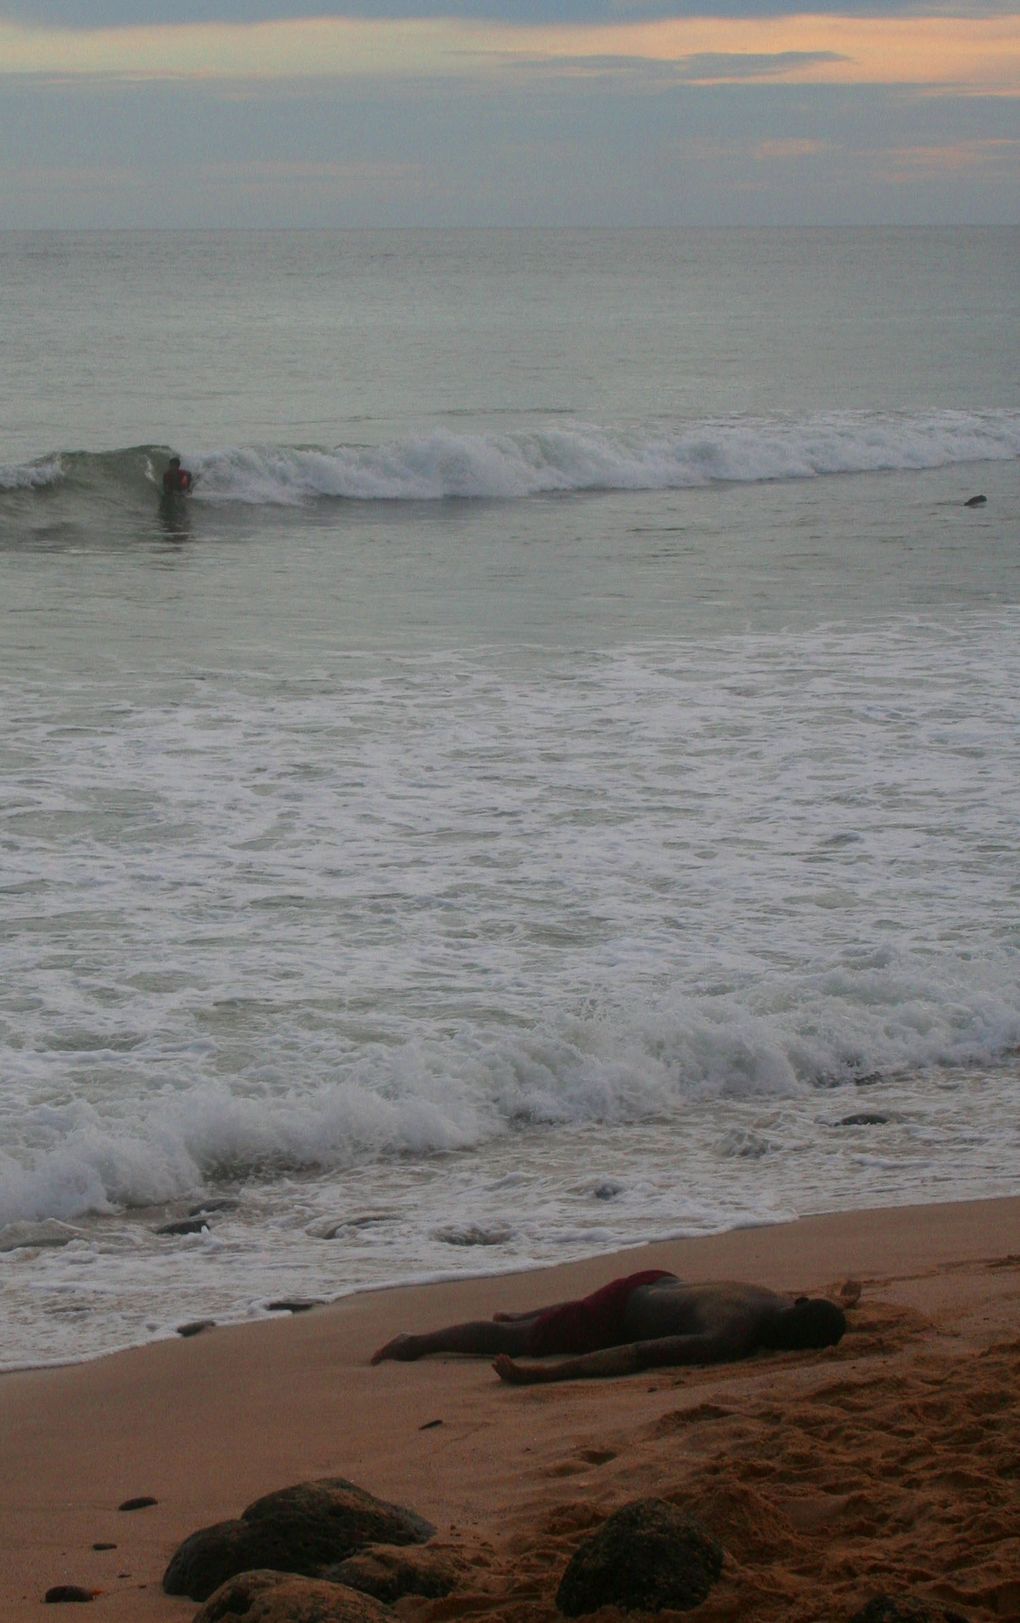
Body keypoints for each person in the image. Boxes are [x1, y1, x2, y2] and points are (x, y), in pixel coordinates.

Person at [371, 1270, 848, 1385]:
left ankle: (523, 1314)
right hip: (620, 1314)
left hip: (658, 1280)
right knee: (520, 1341)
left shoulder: (778, 1300)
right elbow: (637, 1354)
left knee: (569, 1316)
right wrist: (547, 1375)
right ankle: (414, 1344)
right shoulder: (732, 1335)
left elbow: (821, 1309)